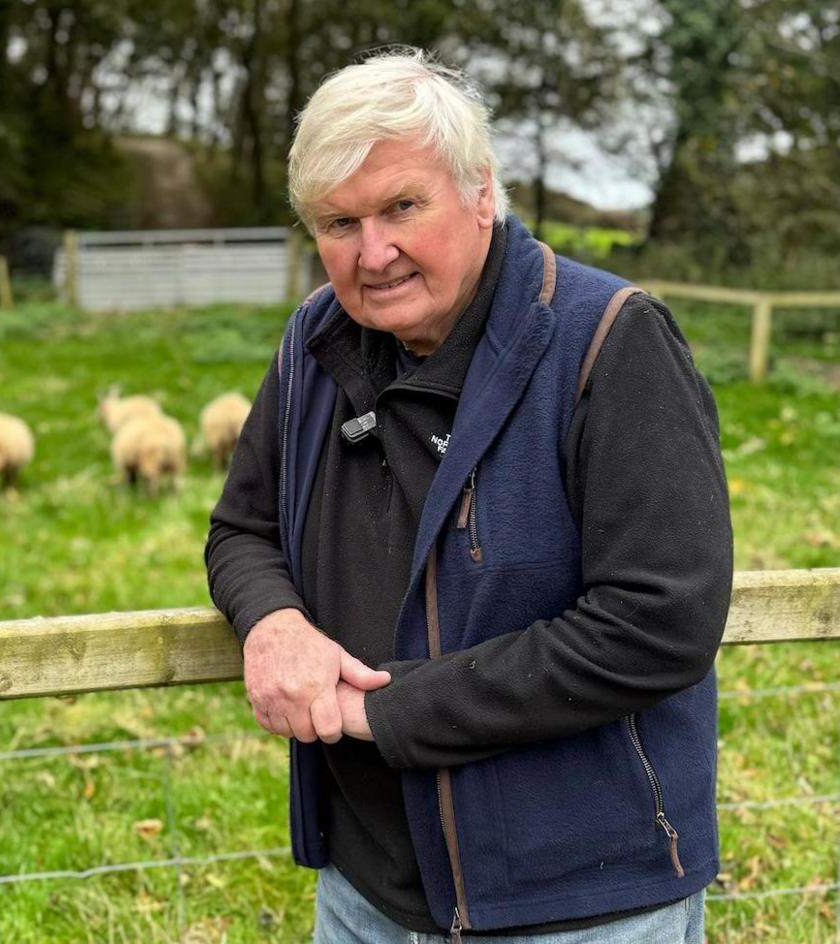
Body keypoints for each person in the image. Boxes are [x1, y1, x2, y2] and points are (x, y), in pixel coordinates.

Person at [206, 50, 730, 943]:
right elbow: (241, 529)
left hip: (578, 900)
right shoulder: (316, 343)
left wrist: (383, 709)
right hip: (365, 889)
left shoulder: (607, 340)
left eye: (402, 206)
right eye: (339, 222)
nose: (374, 253)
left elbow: (658, 623)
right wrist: (273, 621)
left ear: (482, 192)